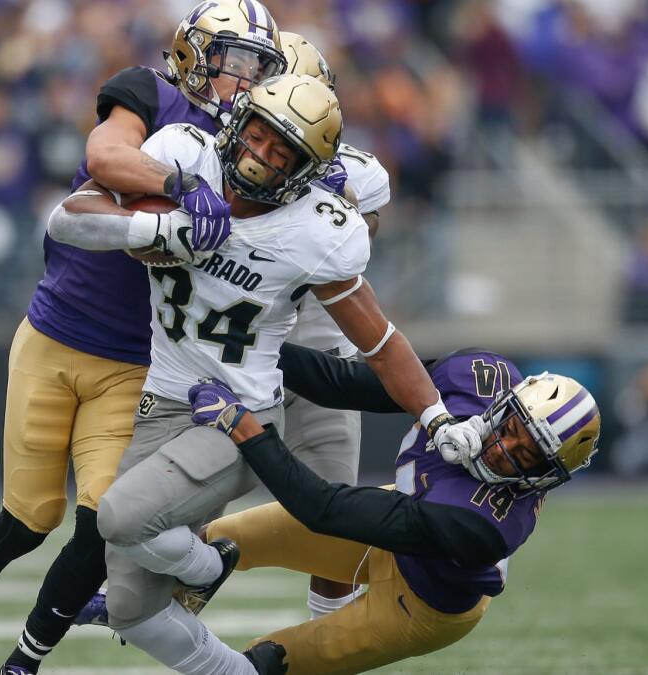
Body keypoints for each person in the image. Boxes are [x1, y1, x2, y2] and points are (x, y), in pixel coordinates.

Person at [46, 73, 485, 675]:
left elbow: (380, 342)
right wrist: (163, 223)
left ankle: (210, 562)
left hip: (235, 414)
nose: (261, 154)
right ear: (239, 121)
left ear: (306, 170)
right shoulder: (183, 154)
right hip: (161, 401)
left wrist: (434, 415)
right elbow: (66, 219)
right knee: (131, 610)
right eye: (259, 134)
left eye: (283, 152)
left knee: (119, 518)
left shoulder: (314, 229)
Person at [0, 2, 288, 674]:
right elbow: (104, 155)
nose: (249, 80)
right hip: (58, 334)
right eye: (239, 62)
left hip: (136, 362)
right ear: (198, 54)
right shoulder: (151, 93)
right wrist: (179, 184)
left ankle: (23, 664)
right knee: (28, 518)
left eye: (261, 67)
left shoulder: (255, 151)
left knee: (101, 524)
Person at [187, 344, 601, 674]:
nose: (503, 451)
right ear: (506, 402)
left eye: (527, 457)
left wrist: (241, 425)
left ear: (546, 476)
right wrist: (247, 346)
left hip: (420, 606)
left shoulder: (483, 522)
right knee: (220, 539)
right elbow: (348, 383)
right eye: (512, 430)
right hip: (406, 513)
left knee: (264, 664)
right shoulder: (476, 378)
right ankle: (137, 605)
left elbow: (321, 509)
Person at [279, 30, 393, 620]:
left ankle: (326, 637)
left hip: (320, 357)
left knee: (337, 516)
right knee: (182, 507)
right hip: (231, 352)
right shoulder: (211, 156)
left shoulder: (355, 173)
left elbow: (355, 238)